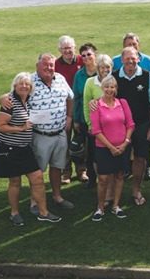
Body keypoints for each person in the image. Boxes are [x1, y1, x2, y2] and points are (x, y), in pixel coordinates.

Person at [0, 72, 61, 226]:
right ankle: (14, 213)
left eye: (27, 84)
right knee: (15, 181)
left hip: (24, 148)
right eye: (21, 83)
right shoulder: (10, 102)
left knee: (37, 177)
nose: (24, 86)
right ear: (15, 86)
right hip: (8, 148)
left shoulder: (29, 100)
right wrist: (21, 128)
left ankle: (43, 212)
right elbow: (0, 126)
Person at [23, 53, 75, 213]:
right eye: (45, 65)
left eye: (51, 65)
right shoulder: (29, 81)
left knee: (57, 167)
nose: (49, 68)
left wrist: (69, 117)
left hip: (59, 133)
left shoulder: (59, 78)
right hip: (40, 135)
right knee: (37, 171)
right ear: (37, 66)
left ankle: (57, 196)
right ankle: (34, 201)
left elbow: (70, 97)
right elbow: (15, 99)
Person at [115, 47, 150, 207]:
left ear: (138, 59)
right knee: (120, 159)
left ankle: (136, 190)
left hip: (142, 124)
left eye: (133, 58)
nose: (130, 61)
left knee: (140, 158)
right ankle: (115, 194)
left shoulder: (148, 77)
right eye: (127, 59)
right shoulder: (114, 77)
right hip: (121, 127)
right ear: (122, 60)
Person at [89, 75, 134, 221]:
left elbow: (130, 124)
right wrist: (111, 147)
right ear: (102, 88)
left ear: (116, 89)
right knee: (102, 178)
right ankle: (100, 207)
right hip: (104, 148)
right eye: (107, 87)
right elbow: (96, 130)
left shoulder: (123, 103)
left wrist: (125, 143)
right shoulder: (96, 105)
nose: (110, 89)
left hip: (122, 147)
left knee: (120, 176)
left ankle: (116, 206)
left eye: (112, 87)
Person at [83, 54, 113, 197]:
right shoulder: (90, 82)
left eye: (107, 67)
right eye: (102, 67)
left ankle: (109, 191)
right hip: (96, 129)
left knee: (111, 158)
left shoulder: (114, 81)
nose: (105, 70)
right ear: (98, 68)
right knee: (97, 158)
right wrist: (90, 124)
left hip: (113, 128)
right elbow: (86, 104)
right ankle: (100, 184)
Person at [55, 35, 84, 185]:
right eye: (64, 48)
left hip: (79, 108)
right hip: (63, 109)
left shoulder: (81, 60)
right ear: (60, 50)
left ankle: (81, 169)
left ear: (74, 47)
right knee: (64, 142)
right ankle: (66, 171)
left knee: (79, 140)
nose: (67, 51)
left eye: (70, 47)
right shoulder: (55, 65)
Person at [72, 43, 98, 185]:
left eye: (89, 54)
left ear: (95, 55)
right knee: (88, 150)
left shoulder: (103, 73)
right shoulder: (79, 75)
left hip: (101, 118)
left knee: (98, 150)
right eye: (83, 55)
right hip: (84, 117)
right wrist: (76, 119)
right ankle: (91, 178)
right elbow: (76, 98)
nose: (86, 57)